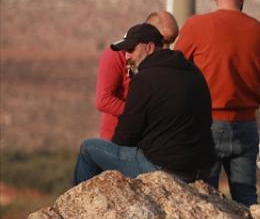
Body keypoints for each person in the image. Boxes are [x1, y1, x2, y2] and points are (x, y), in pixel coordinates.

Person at [74, 23, 215, 184]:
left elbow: (126, 135)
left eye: (131, 50)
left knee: (89, 148)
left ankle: (81, 200)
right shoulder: (193, 71)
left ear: (149, 47)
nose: (127, 56)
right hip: (202, 168)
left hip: (167, 169)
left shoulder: (145, 79)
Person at [175, 0, 260, 205]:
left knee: (205, 197)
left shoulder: (195, 26)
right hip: (246, 123)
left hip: (206, 123)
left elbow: (177, 68)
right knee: (246, 196)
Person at [95, 11, 178, 139]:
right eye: (163, 41)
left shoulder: (162, 61)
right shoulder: (116, 54)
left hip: (147, 136)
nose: (166, 47)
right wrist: (143, 114)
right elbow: (104, 100)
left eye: (170, 42)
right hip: (116, 135)